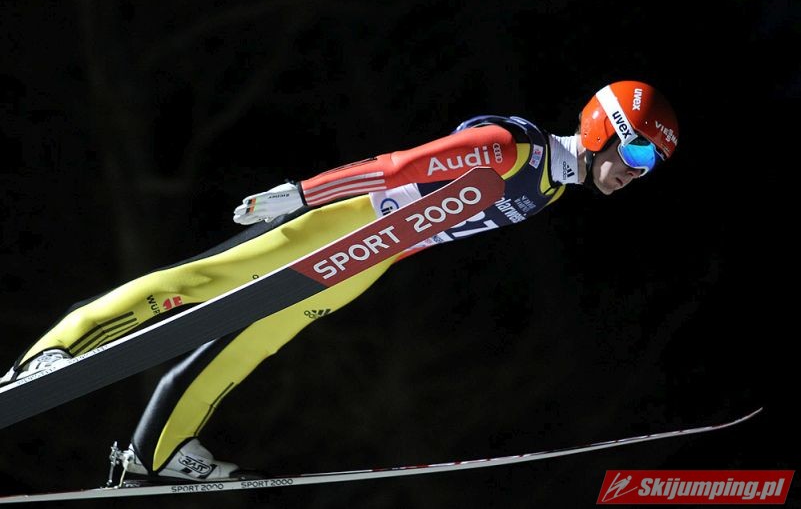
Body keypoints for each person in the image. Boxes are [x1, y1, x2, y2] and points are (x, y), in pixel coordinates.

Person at [0, 80, 679, 482]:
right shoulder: (514, 149)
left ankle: (159, 450)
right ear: (604, 129)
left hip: (369, 258)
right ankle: (48, 357)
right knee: (198, 282)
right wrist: (300, 195)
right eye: (637, 151)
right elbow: (399, 166)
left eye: (651, 166)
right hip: (341, 221)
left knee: (255, 340)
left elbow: (435, 224)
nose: (637, 172)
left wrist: (373, 260)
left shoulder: (550, 190)